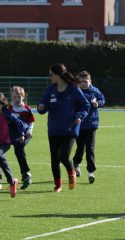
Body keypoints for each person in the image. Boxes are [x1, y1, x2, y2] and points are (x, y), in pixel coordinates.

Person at [37, 63, 90, 193]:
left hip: (70, 129)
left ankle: (71, 173)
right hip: (54, 129)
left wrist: (80, 116)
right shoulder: (51, 89)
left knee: (64, 157)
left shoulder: (74, 89)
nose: (49, 77)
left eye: (51, 75)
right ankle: (58, 185)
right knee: (54, 159)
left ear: (58, 75)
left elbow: (85, 105)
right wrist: (41, 107)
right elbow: (43, 103)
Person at [72, 71, 106, 184]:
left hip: (92, 125)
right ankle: (75, 164)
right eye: (81, 82)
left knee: (90, 149)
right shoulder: (76, 91)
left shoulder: (95, 91)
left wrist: (98, 104)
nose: (83, 84)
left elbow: (103, 100)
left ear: (90, 81)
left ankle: (91, 172)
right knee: (80, 148)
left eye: (85, 81)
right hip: (79, 124)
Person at [8, 86, 35, 189]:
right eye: (14, 97)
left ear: (23, 96)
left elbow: (31, 122)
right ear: (11, 97)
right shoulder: (9, 108)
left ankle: (26, 174)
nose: (16, 99)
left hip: (24, 135)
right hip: (13, 135)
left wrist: (29, 131)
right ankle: (24, 174)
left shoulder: (26, 109)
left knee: (18, 150)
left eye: (19, 97)